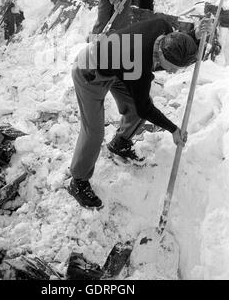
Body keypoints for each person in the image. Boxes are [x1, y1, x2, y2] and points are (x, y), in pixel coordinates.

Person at [68, 16, 212, 209]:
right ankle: (77, 181)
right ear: (160, 54)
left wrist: (194, 35)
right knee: (94, 132)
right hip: (90, 71)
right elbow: (145, 107)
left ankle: (120, 142)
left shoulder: (164, 28)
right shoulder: (138, 65)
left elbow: (179, 39)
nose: (172, 73)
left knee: (135, 108)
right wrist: (173, 129)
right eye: (171, 68)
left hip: (117, 66)